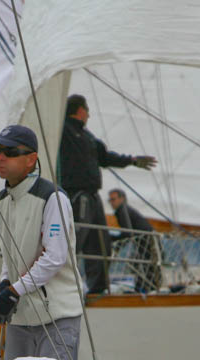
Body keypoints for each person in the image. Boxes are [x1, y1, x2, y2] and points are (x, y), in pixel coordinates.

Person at [0, 124, 83, 360]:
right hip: (20, 318)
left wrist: (13, 291)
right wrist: (4, 284)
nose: (1, 158)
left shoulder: (52, 197)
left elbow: (55, 257)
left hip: (57, 315)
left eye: (10, 152)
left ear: (31, 159)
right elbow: (8, 254)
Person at [59, 94, 156, 294]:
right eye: (87, 111)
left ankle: (97, 290)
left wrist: (132, 160)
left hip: (92, 197)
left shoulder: (88, 137)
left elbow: (105, 157)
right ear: (81, 110)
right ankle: (61, 285)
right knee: (76, 240)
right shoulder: (62, 131)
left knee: (101, 244)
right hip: (78, 195)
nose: (89, 115)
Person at [108, 188, 160, 292]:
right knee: (145, 266)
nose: (111, 203)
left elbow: (127, 233)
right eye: (110, 200)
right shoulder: (125, 209)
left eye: (113, 199)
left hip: (147, 241)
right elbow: (128, 233)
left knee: (145, 265)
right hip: (147, 240)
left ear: (122, 199)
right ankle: (148, 288)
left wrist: (112, 240)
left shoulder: (122, 210)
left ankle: (147, 289)